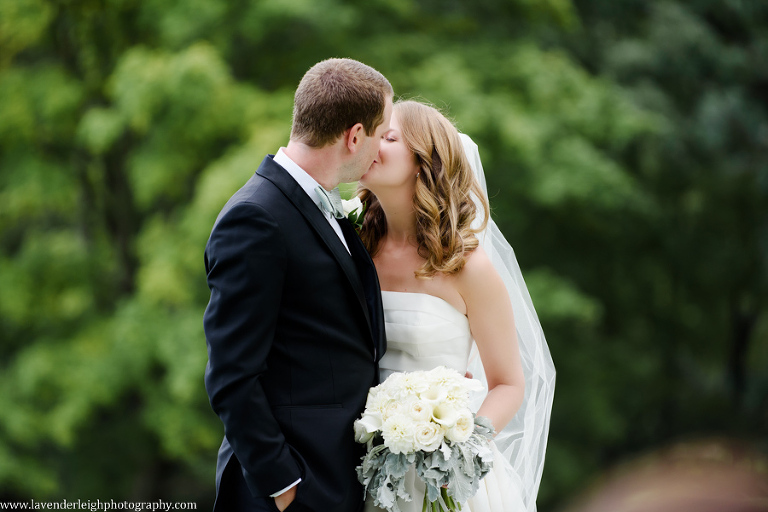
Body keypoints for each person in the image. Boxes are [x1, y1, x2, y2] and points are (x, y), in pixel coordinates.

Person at [203, 58, 393, 512]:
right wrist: (285, 485)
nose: (380, 150)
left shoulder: (325, 204)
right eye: (381, 134)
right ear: (353, 136)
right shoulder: (255, 218)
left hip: (338, 477)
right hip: (292, 489)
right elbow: (231, 376)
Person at [357, 100, 555, 512]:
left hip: (443, 480)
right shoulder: (353, 247)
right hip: (356, 467)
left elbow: (508, 383)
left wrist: (459, 446)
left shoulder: (467, 267)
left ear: (423, 163)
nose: (370, 143)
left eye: (388, 137)